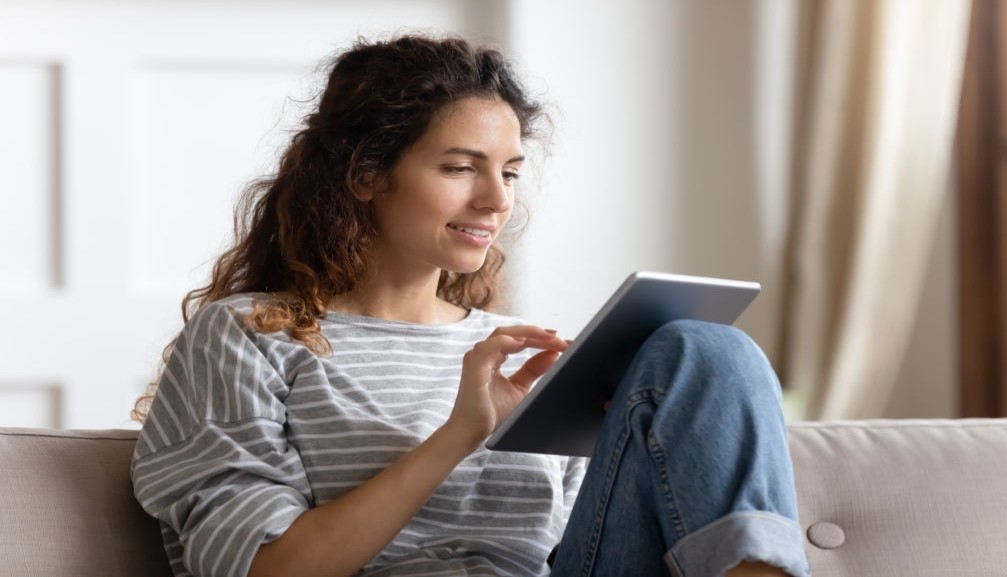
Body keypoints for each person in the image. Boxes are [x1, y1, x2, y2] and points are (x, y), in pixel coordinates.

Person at [130, 34, 811, 577]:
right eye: (460, 167)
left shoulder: (512, 354)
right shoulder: (248, 336)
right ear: (366, 173)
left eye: (509, 171)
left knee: (700, 347)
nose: (497, 200)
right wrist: (460, 433)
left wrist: (622, 442)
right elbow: (266, 567)